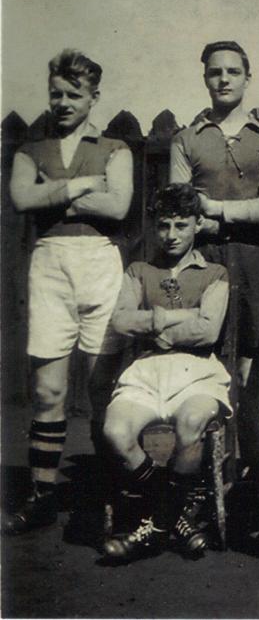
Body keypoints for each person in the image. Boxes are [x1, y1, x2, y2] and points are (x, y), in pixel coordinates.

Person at [3, 49, 133, 535]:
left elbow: (118, 206)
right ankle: (42, 494)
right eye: (55, 93)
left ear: (93, 98)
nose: (62, 102)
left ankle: (104, 496)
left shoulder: (115, 148)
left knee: (101, 388)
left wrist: (53, 194)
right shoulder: (29, 151)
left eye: (73, 95)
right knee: (48, 389)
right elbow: (21, 197)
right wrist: (81, 186)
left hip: (100, 264)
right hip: (50, 266)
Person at [169, 41, 259, 471]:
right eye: (215, 72)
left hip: (255, 261)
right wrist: (232, 216)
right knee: (208, 365)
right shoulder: (187, 139)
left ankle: (253, 469)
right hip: (206, 262)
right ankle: (208, 469)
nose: (223, 79)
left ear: (247, 79)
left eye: (233, 72)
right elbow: (180, 208)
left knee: (252, 370)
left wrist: (216, 210)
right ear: (205, 78)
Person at [101, 183, 230, 561]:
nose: (171, 235)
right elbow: (121, 321)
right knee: (115, 430)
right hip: (146, 370)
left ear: (197, 225)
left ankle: (152, 527)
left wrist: (154, 321)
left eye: (181, 225)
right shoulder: (139, 270)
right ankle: (172, 518)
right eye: (163, 225)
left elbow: (208, 329)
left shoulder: (216, 272)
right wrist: (180, 317)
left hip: (197, 372)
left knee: (191, 423)